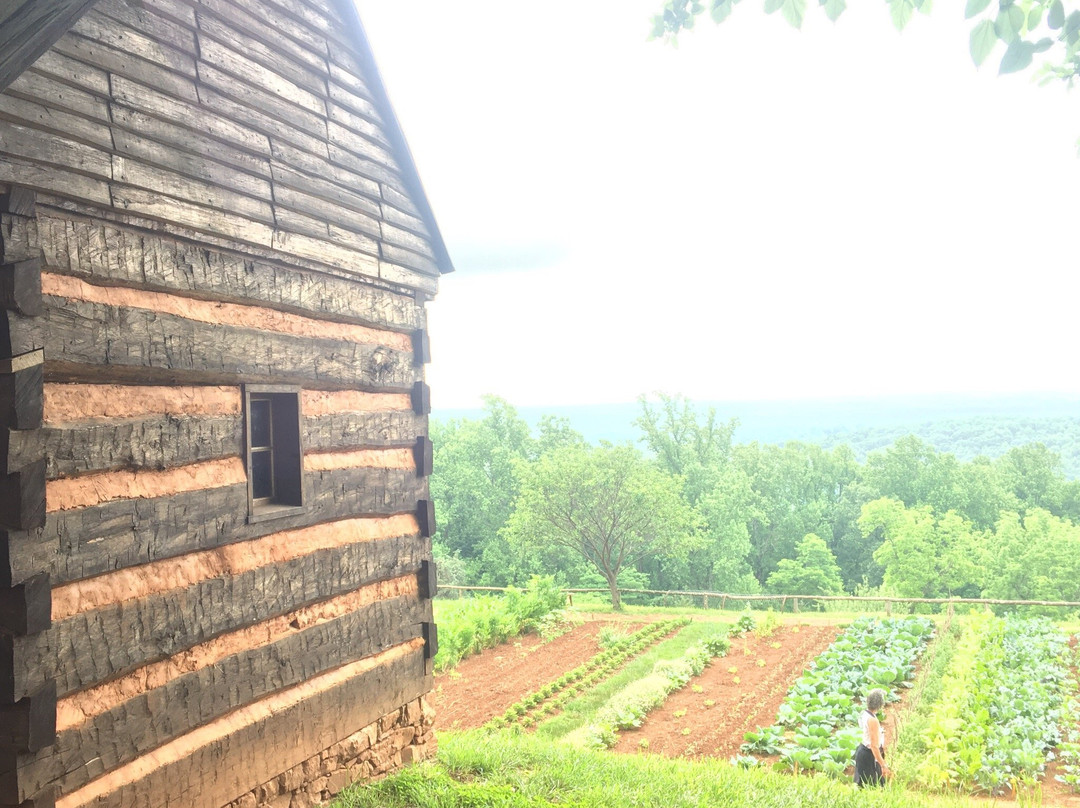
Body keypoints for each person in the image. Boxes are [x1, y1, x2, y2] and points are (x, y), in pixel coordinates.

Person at [854, 689, 891, 787]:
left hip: (863, 751)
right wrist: (883, 765)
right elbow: (874, 745)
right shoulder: (872, 720)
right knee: (873, 786)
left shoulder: (865, 714)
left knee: (863, 785)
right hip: (869, 756)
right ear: (880, 704)